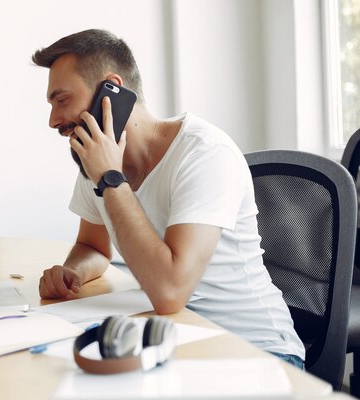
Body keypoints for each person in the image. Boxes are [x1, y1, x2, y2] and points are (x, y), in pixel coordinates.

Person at [31, 29, 305, 368]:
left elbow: (170, 292)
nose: (53, 120)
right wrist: (72, 272)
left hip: (257, 352)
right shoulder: (98, 162)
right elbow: (94, 248)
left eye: (62, 100)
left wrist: (111, 180)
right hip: (175, 340)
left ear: (111, 90)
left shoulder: (204, 153)